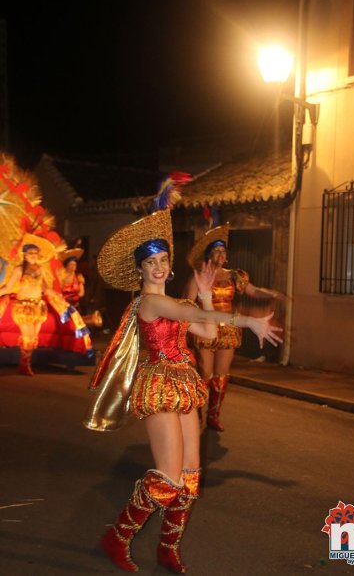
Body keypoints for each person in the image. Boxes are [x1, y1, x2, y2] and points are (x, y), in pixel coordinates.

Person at [84, 207, 282, 574]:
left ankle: (167, 548)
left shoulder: (178, 303)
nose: (158, 267)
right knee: (168, 477)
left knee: (190, 475)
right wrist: (248, 320)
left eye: (163, 259)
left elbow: (207, 333)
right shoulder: (149, 302)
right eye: (150, 262)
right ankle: (117, 537)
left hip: (183, 382)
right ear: (140, 269)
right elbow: (198, 320)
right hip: (158, 383)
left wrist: (206, 295)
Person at [184, 223, 286, 432]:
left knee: (222, 373)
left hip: (229, 328)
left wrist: (272, 293)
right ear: (208, 254)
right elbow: (187, 304)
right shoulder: (199, 276)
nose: (220, 254)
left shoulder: (234, 276)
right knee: (205, 372)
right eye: (216, 250)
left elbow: (254, 291)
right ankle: (197, 414)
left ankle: (213, 414)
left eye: (223, 251)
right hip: (205, 328)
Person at [0, 233, 93, 375]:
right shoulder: (19, 270)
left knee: (34, 337)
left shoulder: (40, 269)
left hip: (38, 307)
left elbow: (44, 288)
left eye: (36, 253)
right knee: (27, 336)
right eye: (31, 253)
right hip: (23, 307)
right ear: (25, 254)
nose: (33, 256)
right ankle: (25, 365)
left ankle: (25, 364)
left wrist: (56, 295)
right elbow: (8, 287)